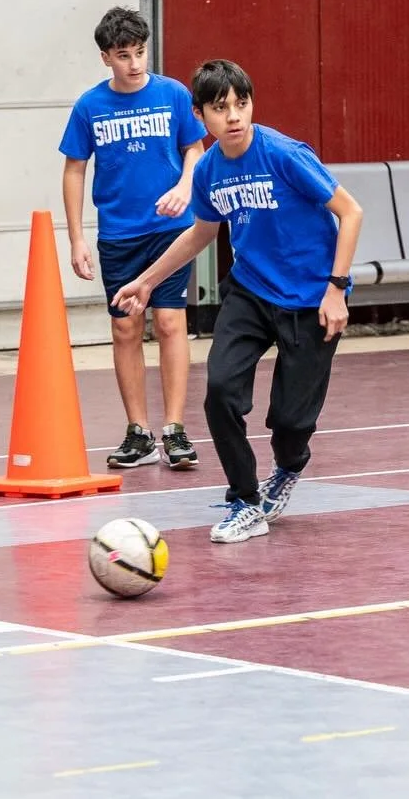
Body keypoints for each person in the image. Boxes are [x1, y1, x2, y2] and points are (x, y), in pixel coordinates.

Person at [112, 58, 364, 543]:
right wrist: (146, 281)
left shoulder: (284, 154)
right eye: (220, 107)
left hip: (311, 296)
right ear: (200, 114)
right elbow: (202, 232)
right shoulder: (208, 169)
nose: (233, 115)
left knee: (291, 421)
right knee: (221, 391)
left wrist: (337, 287)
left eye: (241, 104)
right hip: (249, 291)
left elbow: (350, 212)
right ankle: (245, 500)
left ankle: (288, 468)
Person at [60, 7, 207, 471]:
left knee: (169, 323)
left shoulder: (173, 95)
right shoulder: (89, 107)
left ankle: (175, 430)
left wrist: (186, 187)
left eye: (140, 52)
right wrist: (77, 239)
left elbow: (195, 149)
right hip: (119, 234)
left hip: (169, 232)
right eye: (124, 55)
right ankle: (139, 431)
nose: (135, 63)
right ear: (106, 57)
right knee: (125, 327)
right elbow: (75, 170)